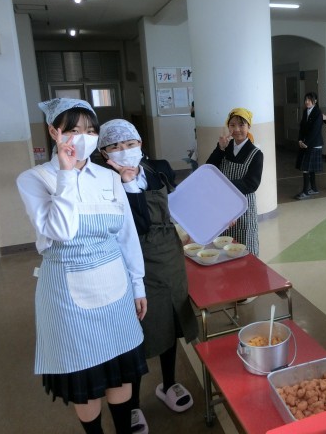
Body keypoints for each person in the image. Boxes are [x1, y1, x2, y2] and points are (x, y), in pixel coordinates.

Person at [16, 99, 148, 434]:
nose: (83, 137)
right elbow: (60, 231)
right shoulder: (34, 179)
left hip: (115, 285)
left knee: (120, 374)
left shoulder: (108, 177)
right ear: (54, 132)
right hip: (67, 297)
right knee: (86, 379)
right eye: (73, 129)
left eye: (90, 131)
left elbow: (126, 236)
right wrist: (66, 174)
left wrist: (138, 284)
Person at [98, 120, 199, 433]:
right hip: (132, 261)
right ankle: (131, 405)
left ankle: (168, 384)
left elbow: (179, 206)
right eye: (114, 146)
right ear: (104, 153)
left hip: (170, 258)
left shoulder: (159, 168)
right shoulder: (103, 181)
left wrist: (206, 219)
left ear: (140, 144)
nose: (124, 151)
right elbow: (137, 224)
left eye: (129, 144)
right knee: (138, 332)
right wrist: (127, 183)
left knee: (170, 322)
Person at [206, 107, 263, 257]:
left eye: (241, 125)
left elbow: (252, 184)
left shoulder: (256, 153)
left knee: (245, 246)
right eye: (232, 125)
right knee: (223, 244)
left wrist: (224, 186)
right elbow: (209, 168)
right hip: (223, 205)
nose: (237, 129)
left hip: (243, 206)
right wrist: (220, 148)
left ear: (248, 126)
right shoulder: (225, 147)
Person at [294, 92, 323, 200]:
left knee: (306, 168)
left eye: (309, 100)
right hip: (306, 143)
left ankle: (305, 191)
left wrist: (306, 143)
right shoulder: (305, 111)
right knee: (310, 168)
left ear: (315, 101)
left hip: (314, 144)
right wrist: (300, 140)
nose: (307, 102)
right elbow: (302, 127)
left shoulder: (318, 113)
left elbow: (315, 131)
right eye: (305, 100)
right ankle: (314, 188)